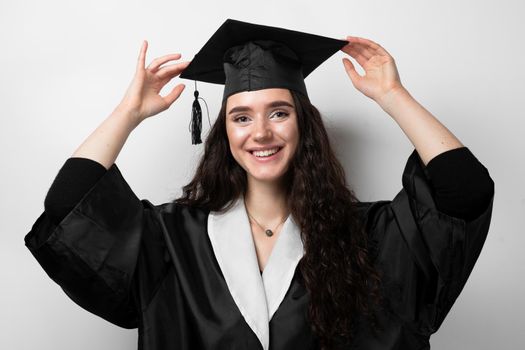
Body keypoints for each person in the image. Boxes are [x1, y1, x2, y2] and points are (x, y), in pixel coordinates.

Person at [25, 19, 494, 350]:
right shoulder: (172, 238)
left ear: (303, 126)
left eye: (279, 113)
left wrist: (394, 95)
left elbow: (464, 191)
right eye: (241, 117)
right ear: (224, 133)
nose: (261, 133)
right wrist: (128, 114)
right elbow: (69, 204)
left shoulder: (368, 235)